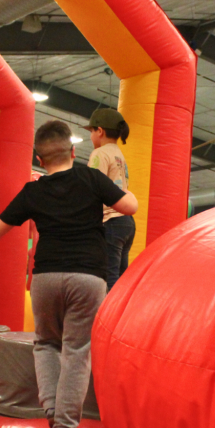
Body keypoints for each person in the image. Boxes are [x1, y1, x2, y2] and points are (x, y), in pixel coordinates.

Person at [0, 120, 138, 428]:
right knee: (77, 349)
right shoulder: (91, 177)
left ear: (39, 159)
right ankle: (64, 427)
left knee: (45, 343)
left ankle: (51, 407)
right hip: (88, 275)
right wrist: (122, 188)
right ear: (73, 151)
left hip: (45, 276)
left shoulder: (34, 190)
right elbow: (130, 207)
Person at [86, 108, 134, 291]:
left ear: (100, 131)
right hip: (126, 222)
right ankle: (123, 309)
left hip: (111, 221)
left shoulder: (100, 154)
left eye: (91, 131)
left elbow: (93, 187)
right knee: (121, 279)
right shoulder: (119, 155)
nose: (90, 136)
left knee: (108, 278)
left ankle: (109, 310)